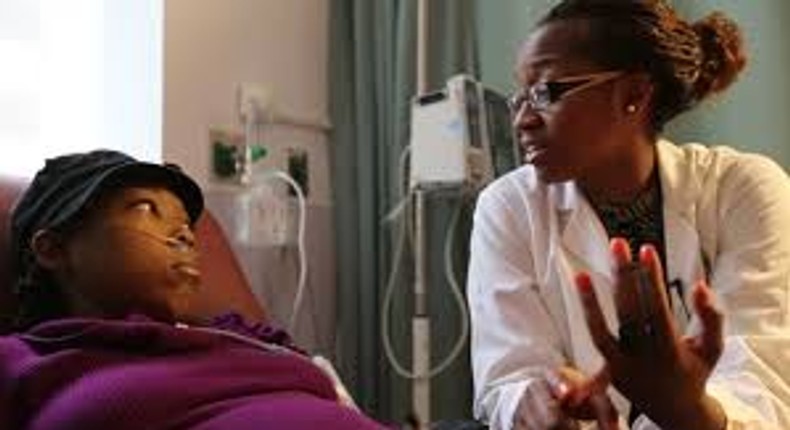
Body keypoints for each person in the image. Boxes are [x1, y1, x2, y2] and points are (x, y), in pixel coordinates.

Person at [467, 1, 790, 429]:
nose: (523, 120)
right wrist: (536, 401)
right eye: (520, 97)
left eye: (546, 92)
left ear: (634, 94)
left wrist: (685, 408)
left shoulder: (742, 190)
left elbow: (762, 384)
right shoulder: (508, 208)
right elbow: (507, 376)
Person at [0, 149, 385, 430]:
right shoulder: (23, 360)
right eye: (145, 209)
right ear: (52, 250)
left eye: (184, 222)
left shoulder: (238, 336)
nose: (184, 233)